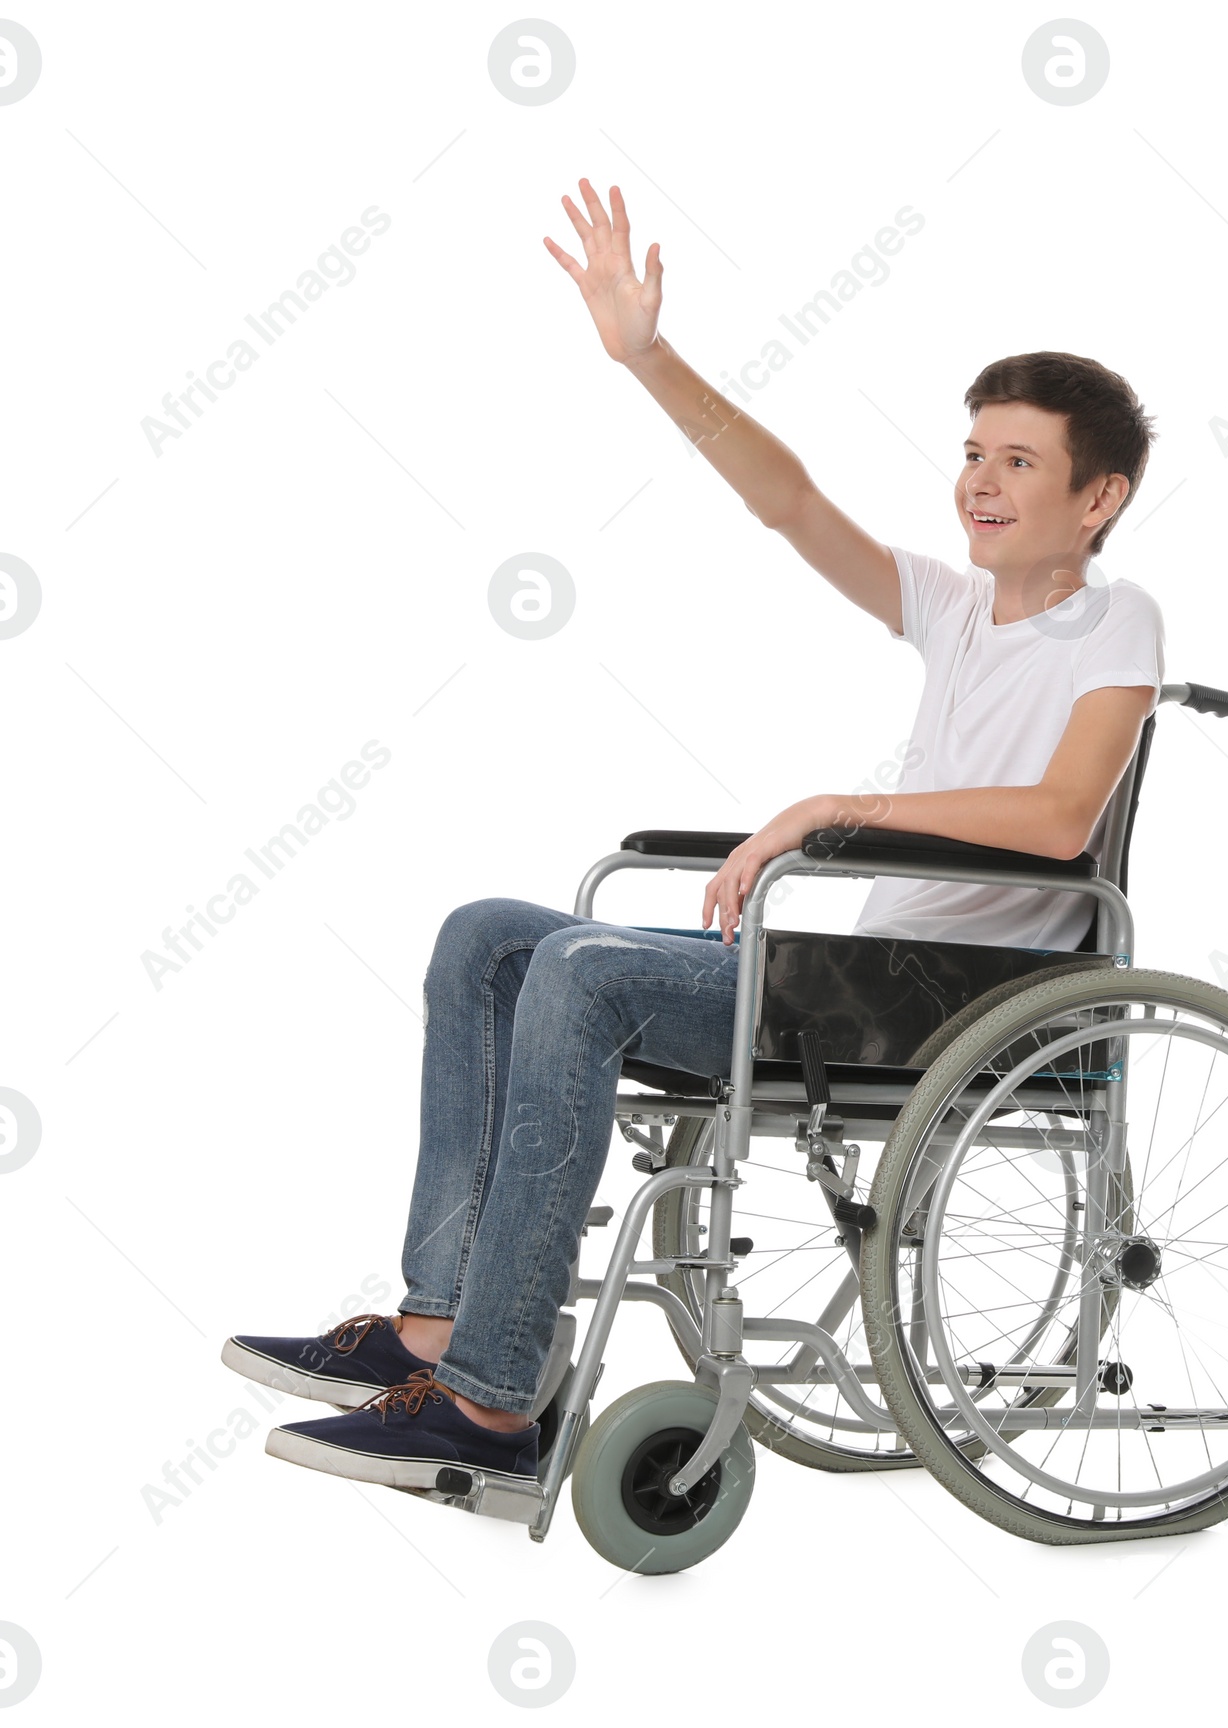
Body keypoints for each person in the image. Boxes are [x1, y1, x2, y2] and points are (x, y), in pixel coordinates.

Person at [222, 178, 1166, 1503]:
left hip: (958, 1009)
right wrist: (648, 356)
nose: (979, 481)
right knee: (491, 936)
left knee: (584, 971)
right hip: (849, 982)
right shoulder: (957, 611)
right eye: (971, 452)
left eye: (1018, 460)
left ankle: (492, 1404)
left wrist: (840, 807)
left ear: (1097, 496)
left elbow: (1065, 819)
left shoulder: (1114, 622)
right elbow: (788, 503)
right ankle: (439, 1322)